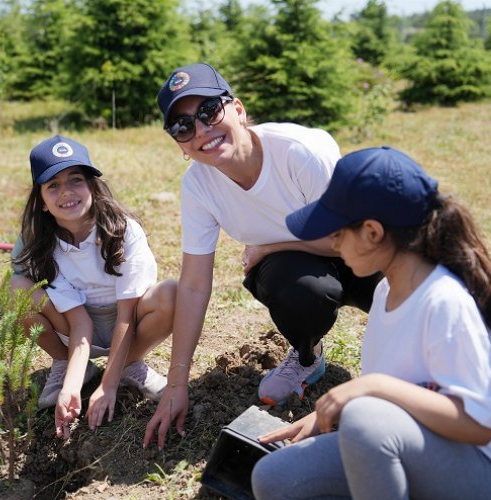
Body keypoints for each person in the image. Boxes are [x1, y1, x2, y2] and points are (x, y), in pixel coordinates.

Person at [251, 146, 491, 499]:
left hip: (478, 466)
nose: (333, 244)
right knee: (275, 478)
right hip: (416, 441)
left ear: (372, 232)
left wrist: (372, 389)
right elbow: (404, 388)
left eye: (337, 233)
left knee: (366, 421)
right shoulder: (388, 289)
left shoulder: (444, 302)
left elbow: (478, 426)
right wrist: (323, 419)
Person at [143, 62, 380, 449]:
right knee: (297, 290)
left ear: (237, 109)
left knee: (392, 289)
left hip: (363, 248)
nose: (201, 129)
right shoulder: (199, 187)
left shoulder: (298, 154)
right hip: (305, 264)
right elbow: (193, 285)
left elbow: (354, 240)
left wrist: (272, 244)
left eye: (208, 110)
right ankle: (308, 358)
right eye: (183, 126)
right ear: (179, 144)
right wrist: (176, 383)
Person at [10, 134, 176, 440]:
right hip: (74, 325)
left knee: (171, 294)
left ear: (92, 187)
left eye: (76, 180)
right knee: (17, 290)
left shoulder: (124, 231)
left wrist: (108, 385)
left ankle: (127, 364)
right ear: (42, 201)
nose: (67, 192)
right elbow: (79, 322)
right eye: (53, 186)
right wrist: (72, 388)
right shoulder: (43, 244)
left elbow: (127, 314)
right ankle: (69, 365)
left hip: (127, 322)